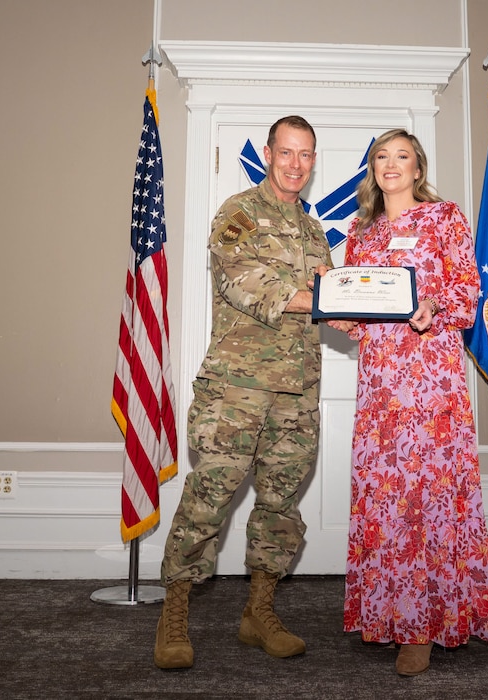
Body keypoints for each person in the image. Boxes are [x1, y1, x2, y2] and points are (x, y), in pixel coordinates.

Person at [154, 115, 333, 670]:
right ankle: (174, 615)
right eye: (287, 153)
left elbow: (330, 302)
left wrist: (367, 310)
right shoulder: (239, 213)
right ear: (270, 154)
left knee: (280, 505)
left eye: (305, 155)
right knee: (209, 499)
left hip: (296, 394)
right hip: (236, 390)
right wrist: (324, 299)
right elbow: (244, 282)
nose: (296, 165)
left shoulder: (314, 232)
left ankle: (259, 612)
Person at [328, 129, 488, 676]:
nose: (391, 165)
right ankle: (388, 616)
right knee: (386, 489)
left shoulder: (444, 217)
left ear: (418, 169)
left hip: (431, 376)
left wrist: (433, 309)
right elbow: (357, 295)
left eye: (402, 157)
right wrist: (344, 314)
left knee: (428, 489)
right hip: (380, 380)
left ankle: (425, 625)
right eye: (382, 157)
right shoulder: (361, 231)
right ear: (372, 169)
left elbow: (467, 290)